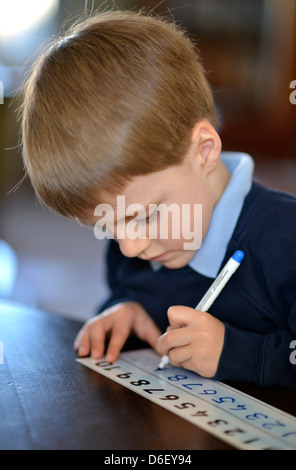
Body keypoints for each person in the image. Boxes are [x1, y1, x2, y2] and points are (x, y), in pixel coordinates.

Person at [21, 10, 296, 389]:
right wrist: (125, 313)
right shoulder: (137, 243)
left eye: (146, 217)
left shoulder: (285, 241)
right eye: (104, 225)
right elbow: (132, 294)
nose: (130, 248)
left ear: (203, 150)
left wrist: (237, 353)